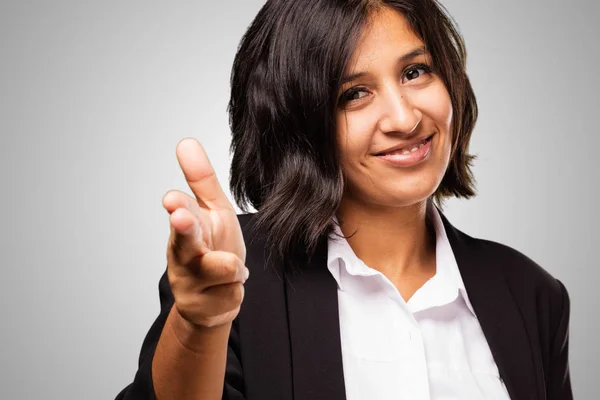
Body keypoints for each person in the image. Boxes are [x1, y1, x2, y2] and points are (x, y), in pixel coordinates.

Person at [116, 0, 573, 399]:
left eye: (415, 71)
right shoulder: (234, 273)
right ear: (300, 123)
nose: (404, 117)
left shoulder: (532, 294)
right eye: (355, 94)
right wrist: (201, 325)